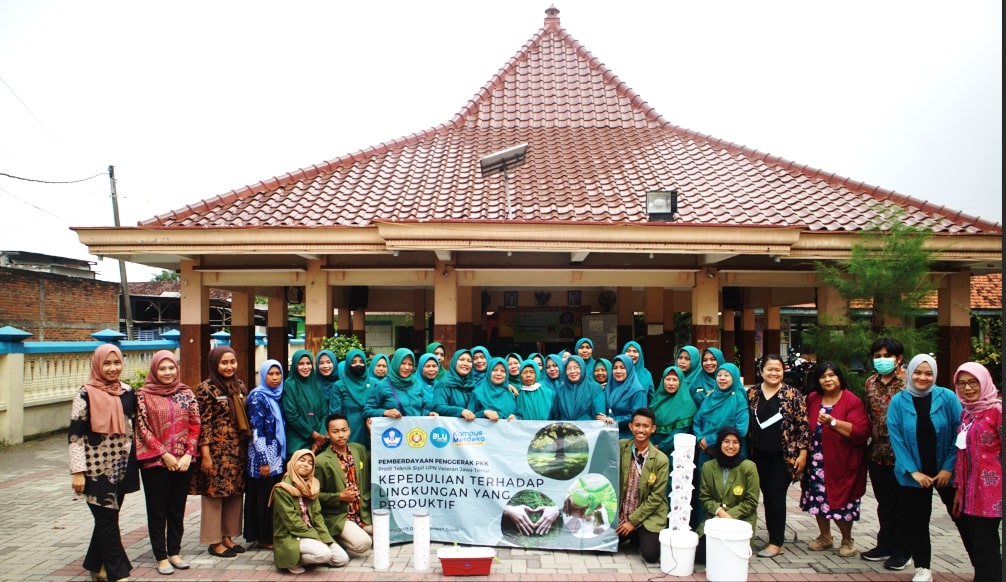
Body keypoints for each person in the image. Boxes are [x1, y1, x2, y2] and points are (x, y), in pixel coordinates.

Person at [886, 354, 962, 582]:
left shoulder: (948, 398)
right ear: (909, 373)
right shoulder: (898, 402)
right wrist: (913, 471)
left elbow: (960, 434)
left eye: (928, 373)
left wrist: (948, 467)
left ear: (935, 375)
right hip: (914, 475)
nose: (923, 377)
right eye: (918, 372)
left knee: (963, 518)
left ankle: (982, 563)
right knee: (918, 520)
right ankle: (923, 567)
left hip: (946, 471)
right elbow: (896, 439)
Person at [69, 344, 140, 582]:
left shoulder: (129, 392)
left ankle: (95, 564)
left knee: (109, 517)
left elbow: (134, 428)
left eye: (117, 363)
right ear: (97, 365)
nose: (112, 368)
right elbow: (75, 435)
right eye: (107, 364)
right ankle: (117, 572)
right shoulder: (85, 394)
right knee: (106, 519)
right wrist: (77, 471)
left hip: (122, 466)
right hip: (96, 469)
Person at [134, 350, 200, 575]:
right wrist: (164, 454)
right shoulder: (143, 396)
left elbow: (195, 423)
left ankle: (174, 551)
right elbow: (142, 427)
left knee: (177, 508)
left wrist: (188, 454)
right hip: (156, 462)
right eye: (162, 368)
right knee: (157, 510)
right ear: (154, 370)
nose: (168, 372)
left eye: (171, 367)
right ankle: (160, 556)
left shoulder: (186, 393)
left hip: (183, 461)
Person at [800, 362, 869, 558]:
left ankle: (847, 539)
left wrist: (833, 422)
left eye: (832, 375)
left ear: (839, 377)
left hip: (842, 462)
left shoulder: (851, 401)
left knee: (843, 502)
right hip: (817, 462)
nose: (827, 380)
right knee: (818, 498)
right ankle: (824, 536)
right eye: (823, 376)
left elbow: (861, 432)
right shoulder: (813, 398)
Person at [747, 354, 809, 558]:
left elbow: (803, 426)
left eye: (778, 369)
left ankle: (776, 542)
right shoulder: (752, 393)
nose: (774, 373)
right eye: (769, 369)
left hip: (783, 458)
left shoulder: (792, 394)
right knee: (754, 497)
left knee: (774, 498)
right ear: (761, 371)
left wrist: (803, 453)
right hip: (755, 456)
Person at [190, 346, 250, 558]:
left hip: (237, 451)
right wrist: (205, 454)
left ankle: (228, 536)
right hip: (216, 452)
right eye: (224, 362)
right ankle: (213, 541)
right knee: (215, 495)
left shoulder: (239, 386)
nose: (229, 366)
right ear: (215, 364)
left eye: (232, 362)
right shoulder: (206, 389)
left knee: (234, 493)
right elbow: (203, 423)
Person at [951, 362, 1002, 582]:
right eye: (961, 384)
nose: (967, 388)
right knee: (977, 542)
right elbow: (963, 454)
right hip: (970, 492)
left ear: (984, 381)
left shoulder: (997, 411)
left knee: (986, 543)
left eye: (973, 382)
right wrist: (958, 490)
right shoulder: (967, 413)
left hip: (993, 493)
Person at [860, 337, 907, 563]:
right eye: (878, 356)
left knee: (903, 505)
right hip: (878, 453)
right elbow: (867, 416)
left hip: (904, 456)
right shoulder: (870, 383)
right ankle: (884, 545)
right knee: (885, 504)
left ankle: (903, 551)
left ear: (899, 358)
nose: (882, 360)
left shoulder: (909, 382)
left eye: (887, 356)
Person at [269, 449, 349, 574]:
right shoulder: (282, 489)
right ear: (293, 462)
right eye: (302, 460)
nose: (306, 464)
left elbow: (317, 517)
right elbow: (293, 522)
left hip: (311, 532)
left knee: (341, 559)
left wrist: (325, 538)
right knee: (325, 554)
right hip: (292, 535)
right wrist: (316, 537)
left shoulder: (313, 486)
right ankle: (291, 560)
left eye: (310, 462)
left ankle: (314, 554)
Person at [695, 426, 760, 562]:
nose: (731, 446)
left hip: (740, 521)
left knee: (729, 557)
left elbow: (751, 502)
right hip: (716, 519)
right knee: (699, 556)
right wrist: (720, 512)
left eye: (735, 442)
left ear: (740, 445)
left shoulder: (748, 467)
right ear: (719, 443)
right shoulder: (708, 467)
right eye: (726, 441)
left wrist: (728, 516)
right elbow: (705, 497)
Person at [615, 407, 669, 563]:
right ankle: (631, 536)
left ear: (653, 429)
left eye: (646, 426)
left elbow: (656, 497)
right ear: (631, 426)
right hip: (622, 512)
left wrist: (633, 521)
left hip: (647, 515)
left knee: (651, 555)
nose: (641, 430)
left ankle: (637, 535)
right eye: (637, 425)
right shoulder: (621, 446)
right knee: (601, 545)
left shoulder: (661, 460)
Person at [316, 413, 373, 557]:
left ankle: (354, 533)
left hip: (362, 515)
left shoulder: (358, 449)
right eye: (335, 432)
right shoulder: (321, 461)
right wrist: (339, 496)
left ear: (349, 430)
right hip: (340, 516)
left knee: (386, 534)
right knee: (364, 544)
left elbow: (378, 456)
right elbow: (314, 496)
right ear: (327, 434)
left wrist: (372, 433)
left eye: (344, 430)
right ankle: (334, 537)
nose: (341, 435)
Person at [244, 359, 287, 551]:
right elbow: (256, 431)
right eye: (271, 374)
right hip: (263, 457)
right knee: (262, 497)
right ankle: (262, 537)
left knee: (271, 496)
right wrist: (263, 461)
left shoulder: (276, 396)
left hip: (276, 455)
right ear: (263, 375)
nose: (275, 378)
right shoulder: (257, 397)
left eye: (278, 374)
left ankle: (268, 534)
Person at [693, 362, 749, 470]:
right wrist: (701, 439)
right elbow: (697, 421)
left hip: (730, 450)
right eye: (719, 375)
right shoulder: (710, 397)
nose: (722, 378)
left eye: (726, 375)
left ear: (735, 378)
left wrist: (710, 440)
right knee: (706, 483)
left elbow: (741, 429)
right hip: (706, 451)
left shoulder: (738, 399)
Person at [364, 347, 438, 419]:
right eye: (403, 363)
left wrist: (428, 414)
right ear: (396, 363)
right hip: (393, 430)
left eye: (410, 364)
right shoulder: (382, 386)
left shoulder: (417, 384)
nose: (406, 367)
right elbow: (367, 410)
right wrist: (385, 412)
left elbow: (421, 410)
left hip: (414, 430)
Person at [282, 350, 328, 456]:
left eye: (308, 363)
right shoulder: (289, 385)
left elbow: (325, 413)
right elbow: (292, 416)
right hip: (298, 442)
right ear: (294, 366)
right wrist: (315, 435)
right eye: (301, 364)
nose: (306, 367)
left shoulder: (315, 383)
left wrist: (320, 437)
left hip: (320, 442)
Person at [332, 349, 372, 448]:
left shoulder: (374, 383)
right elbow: (334, 414)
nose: (358, 365)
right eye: (353, 362)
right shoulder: (339, 385)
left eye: (361, 362)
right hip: (348, 435)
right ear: (348, 364)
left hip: (371, 432)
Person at [549, 355, 606, 421]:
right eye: (569, 368)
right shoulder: (561, 390)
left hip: (588, 430)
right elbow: (556, 416)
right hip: (564, 429)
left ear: (583, 368)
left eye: (576, 367)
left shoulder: (595, 389)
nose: (573, 371)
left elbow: (599, 417)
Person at [605, 354, 648, 439]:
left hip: (627, 439)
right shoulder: (609, 388)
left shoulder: (637, 391)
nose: (618, 371)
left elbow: (637, 416)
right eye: (615, 368)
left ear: (629, 369)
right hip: (609, 436)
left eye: (622, 367)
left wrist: (613, 420)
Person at [432, 349, 477, 419]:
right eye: (462, 359)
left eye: (469, 361)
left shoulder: (472, 385)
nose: (465, 363)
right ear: (454, 362)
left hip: (471, 429)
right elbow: (438, 407)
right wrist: (461, 411)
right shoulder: (444, 384)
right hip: (450, 428)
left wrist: (484, 412)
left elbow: (476, 410)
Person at [470, 356, 518, 421]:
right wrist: (483, 413)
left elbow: (519, 413)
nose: (499, 373)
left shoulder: (511, 392)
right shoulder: (478, 393)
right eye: (495, 370)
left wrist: (516, 417)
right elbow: (468, 416)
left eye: (503, 371)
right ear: (489, 372)